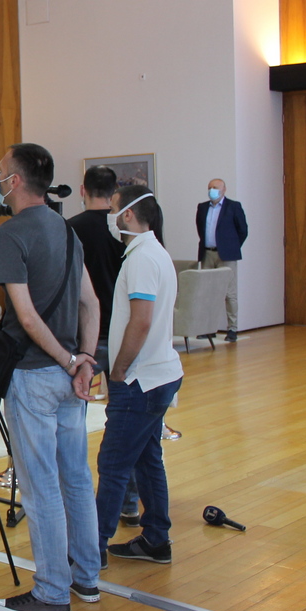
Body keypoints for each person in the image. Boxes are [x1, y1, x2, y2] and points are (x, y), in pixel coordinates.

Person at [0, 143, 101, 611]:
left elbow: (27, 317)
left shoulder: (10, 234)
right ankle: (86, 577)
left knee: (40, 487)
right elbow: (91, 303)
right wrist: (84, 360)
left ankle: (52, 591)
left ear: (14, 182)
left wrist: (67, 358)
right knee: (76, 477)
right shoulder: (67, 230)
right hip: (71, 379)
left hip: (36, 374)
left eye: (0, 172)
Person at [96, 185, 183, 566]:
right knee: (147, 459)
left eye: (112, 209)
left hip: (139, 380)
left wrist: (118, 370)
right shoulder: (151, 253)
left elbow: (141, 321)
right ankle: (156, 539)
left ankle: (91, 549)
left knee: (113, 464)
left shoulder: (143, 259)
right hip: (156, 375)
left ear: (128, 215)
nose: (109, 217)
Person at [66, 165, 141, 526]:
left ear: (83, 190)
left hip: (85, 335)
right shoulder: (125, 230)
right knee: (125, 421)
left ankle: (76, 498)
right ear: (113, 193)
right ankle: (128, 500)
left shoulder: (71, 228)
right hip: (123, 332)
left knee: (72, 417)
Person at [195, 178, 248, 341]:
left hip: (227, 255)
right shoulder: (202, 207)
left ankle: (232, 328)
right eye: (210, 187)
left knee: (229, 293)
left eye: (216, 187)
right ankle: (208, 328)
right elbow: (200, 229)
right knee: (207, 292)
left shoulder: (233, 206)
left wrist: (230, 246)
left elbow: (243, 230)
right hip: (207, 254)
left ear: (224, 189)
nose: (212, 190)